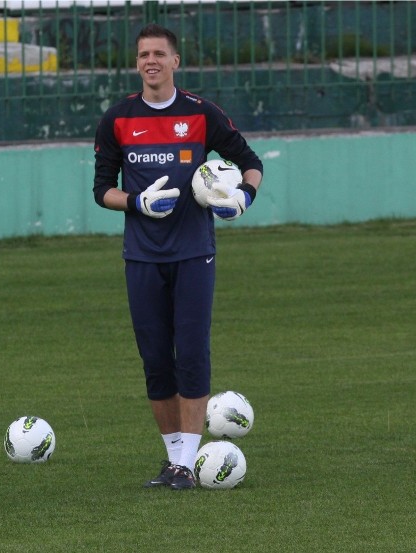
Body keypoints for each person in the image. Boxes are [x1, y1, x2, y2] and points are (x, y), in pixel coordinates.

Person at [92, 24, 263, 490]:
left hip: (194, 254)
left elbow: (251, 162)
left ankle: (187, 464)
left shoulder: (202, 114)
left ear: (175, 61)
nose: (151, 60)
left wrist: (244, 197)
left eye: (159, 54)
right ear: (137, 63)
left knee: (190, 353)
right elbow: (101, 189)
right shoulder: (117, 119)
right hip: (142, 257)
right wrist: (136, 202)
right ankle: (174, 460)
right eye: (144, 54)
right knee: (154, 360)